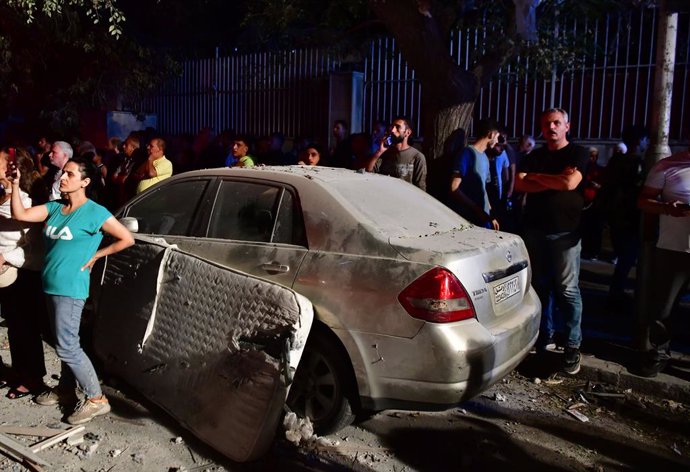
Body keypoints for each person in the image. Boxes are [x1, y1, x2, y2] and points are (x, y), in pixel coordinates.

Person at [10, 157, 134, 424]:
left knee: (67, 347)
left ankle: (96, 399)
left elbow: (127, 238)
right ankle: (66, 389)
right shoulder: (55, 208)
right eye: (62, 173)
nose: (62, 178)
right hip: (51, 285)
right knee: (65, 342)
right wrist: (15, 183)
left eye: (69, 174)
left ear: (85, 182)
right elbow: (21, 215)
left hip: (71, 288)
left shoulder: (95, 212)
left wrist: (97, 255)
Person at [515, 107, 588, 375]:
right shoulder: (534, 155)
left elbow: (570, 183)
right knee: (539, 287)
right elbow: (520, 184)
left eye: (557, 123)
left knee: (567, 289)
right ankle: (542, 337)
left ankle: (572, 344)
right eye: (547, 124)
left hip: (566, 232)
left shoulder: (577, 153)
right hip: (535, 229)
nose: (552, 127)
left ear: (567, 126)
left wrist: (537, 178)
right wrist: (553, 179)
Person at [635, 145, 690, 377]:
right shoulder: (667, 166)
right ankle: (660, 353)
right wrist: (666, 208)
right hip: (673, 248)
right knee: (665, 307)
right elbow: (643, 201)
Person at [0, 147, 48, 400]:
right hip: (4, 274)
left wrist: (6, 257)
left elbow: (36, 250)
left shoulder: (27, 204)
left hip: (22, 274)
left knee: (24, 328)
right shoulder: (2, 196)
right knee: (12, 327)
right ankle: (15, 371)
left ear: (12, 170)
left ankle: (32, 378)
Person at [599, 125, 649, 309]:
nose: (648, 143)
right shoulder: (636, 163)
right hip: (629, 216)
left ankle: (617, 291)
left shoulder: (616, 160)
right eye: (646, 139)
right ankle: (617, 293)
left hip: (616, 215)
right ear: (640, 141)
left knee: (624, 256)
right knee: (629, 256)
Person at [448, 118, 500, 230]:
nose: (497, 141)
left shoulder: (485, 158)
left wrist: (491, 215)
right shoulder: (466, 154)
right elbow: (454, 188)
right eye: (497, 137)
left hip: (484, 219)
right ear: (491, 134)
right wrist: (477, 209)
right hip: (469, 220)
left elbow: (483, 189)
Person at [365, 116, 427, 191]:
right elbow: (368, 172)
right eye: (392, 127)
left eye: (398, 127)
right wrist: (380, 151)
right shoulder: (385, 153)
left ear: (407, 132)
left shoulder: (417, 157)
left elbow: (420, 188)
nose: (393, 130)